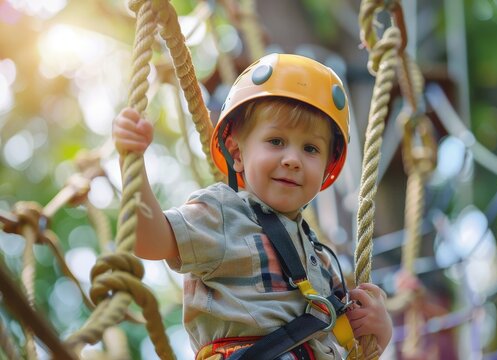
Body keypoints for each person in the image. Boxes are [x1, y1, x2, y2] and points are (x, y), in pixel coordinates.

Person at [113, 53, 392, 359]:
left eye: (310, 148)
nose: (292, 159)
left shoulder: (322, 260)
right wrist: (133, 165)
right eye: (275, 141)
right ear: (237, 153)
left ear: (326, 170)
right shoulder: (223, 213)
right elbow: (149, 241)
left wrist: (378, 328)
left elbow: (348, 336)